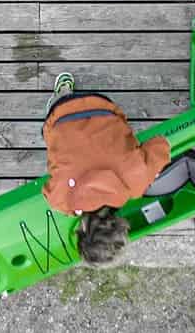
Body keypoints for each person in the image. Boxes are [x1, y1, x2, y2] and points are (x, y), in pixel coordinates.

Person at [41, 72, 172, 265]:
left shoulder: (136, 184)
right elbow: (47, 189)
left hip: (104, 107)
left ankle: (71, 96)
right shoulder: (62, 202)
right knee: (53, 132)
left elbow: (161, 145)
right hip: (60, 114)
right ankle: (63, 92)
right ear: (82, 230)